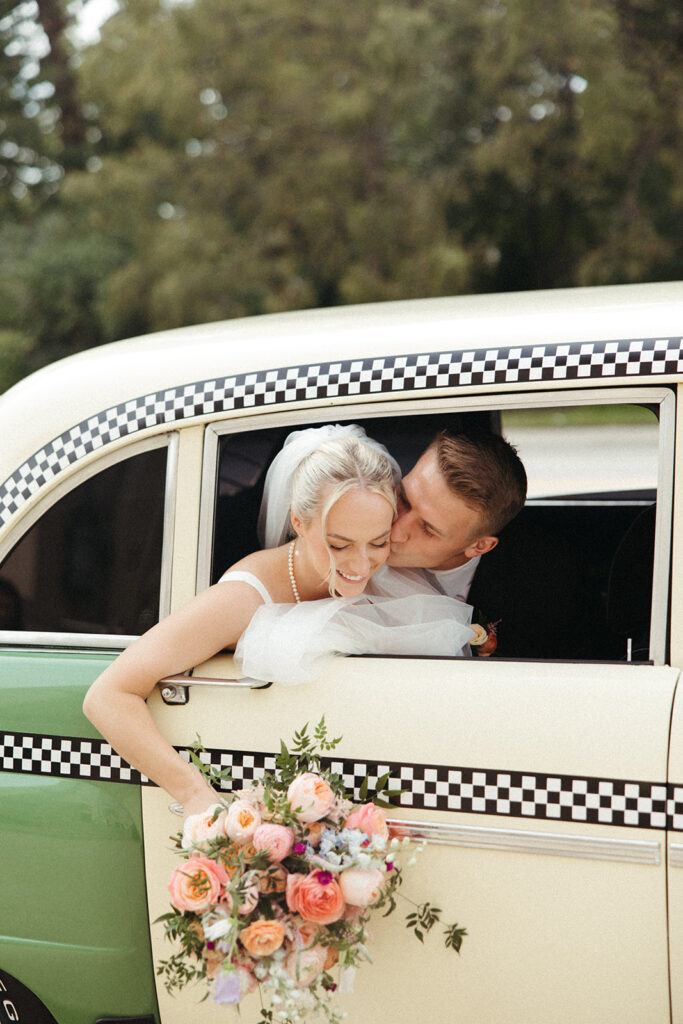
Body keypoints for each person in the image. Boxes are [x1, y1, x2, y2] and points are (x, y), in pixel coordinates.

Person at [83, 425, 474, 817]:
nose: (361, 565)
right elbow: (107, 696)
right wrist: (194, 795)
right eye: (338, 544)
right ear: (299, 523)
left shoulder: (392, 577)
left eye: (378, 541)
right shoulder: (241, 600)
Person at [373, 428, 595, 659]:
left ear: (479, 547)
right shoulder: (352, 522)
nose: (394, 530)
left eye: (429, 529)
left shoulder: (541, 591)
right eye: (404, 498)